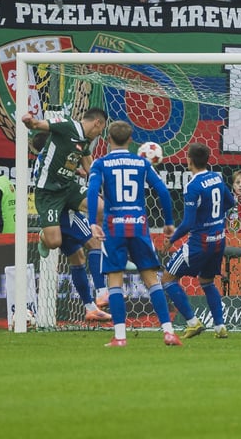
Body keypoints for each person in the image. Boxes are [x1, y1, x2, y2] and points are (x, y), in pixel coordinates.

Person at [86, 120, 180, 347]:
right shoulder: (142, 163)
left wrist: (92, 222)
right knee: (151, 279)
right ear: (130, 140)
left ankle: (120, 337)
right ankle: (168, 332)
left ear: (108, 139)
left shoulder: (100, 163)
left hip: (113, 227)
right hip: (138, 225)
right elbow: (163, 191)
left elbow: (91, 191)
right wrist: (168, 222)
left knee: (115, 281)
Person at [160, 142, 235, 339]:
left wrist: (172, 239)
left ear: (189, 160)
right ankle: (220, 327)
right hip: (219, 240)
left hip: (200, 242)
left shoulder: (193, 185)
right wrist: (214, 217)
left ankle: (193, 323)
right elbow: (231, 202)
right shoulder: (216, 178)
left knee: (167, 279)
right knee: (207, 281)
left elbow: (187, 223)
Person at [21, 107, 107, 258]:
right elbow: (36, 125)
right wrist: (29, 121)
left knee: (101, 207)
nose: (99, 135)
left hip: (68, 187)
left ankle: (103, 242)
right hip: (48, 192)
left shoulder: (85, 141)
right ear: (97, 123)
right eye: (100, 131)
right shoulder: (67, 125)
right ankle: (43, 236)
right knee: (54, 242)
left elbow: (91, 169)